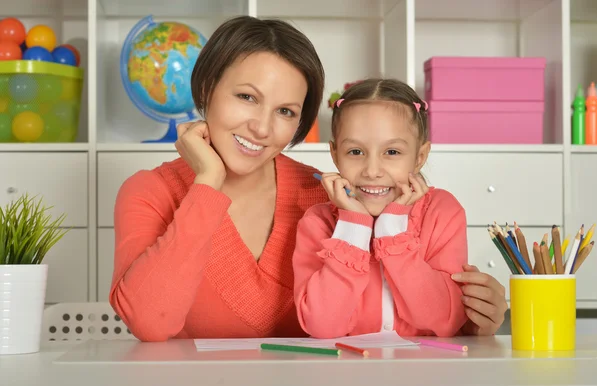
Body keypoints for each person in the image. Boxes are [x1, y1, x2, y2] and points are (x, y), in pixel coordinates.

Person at [109, 16, 507, 342]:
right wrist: (207, 183)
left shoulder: (335, 195)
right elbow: (150, 324)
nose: (262, 127)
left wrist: (474, 314)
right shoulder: (148, 193)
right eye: (246, 97)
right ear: (208, 89)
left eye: (285, 111)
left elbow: (393, 306)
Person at [294, 78, 473, 338]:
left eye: (391, 152)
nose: (372, 171)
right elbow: (322, 326)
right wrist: (353, 227)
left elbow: (445, 319)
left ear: (420, 157)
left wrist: (392, 232)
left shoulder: (443, 212)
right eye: (355, 152)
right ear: (334, 155)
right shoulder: (317, 223)